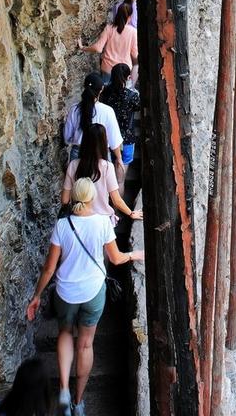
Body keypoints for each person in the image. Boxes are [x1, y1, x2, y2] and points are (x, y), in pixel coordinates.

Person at [26, 178, 144, 416]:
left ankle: (63, 391)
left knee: (65, 333)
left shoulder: (62, 225)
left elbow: (49, 268)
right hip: (92, 291)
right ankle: (78, 402)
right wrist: (135, 254)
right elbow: (117, 258)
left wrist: (37, 295)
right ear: (92, 197)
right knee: (86, 343)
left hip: (65, 292)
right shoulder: (102, 222)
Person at [61, 123, 142, 224]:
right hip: (102, 221)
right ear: (103, 143)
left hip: (78, 220)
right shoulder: (107, 167)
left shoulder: (73, 165)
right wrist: (131, 213)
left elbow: (65, 200)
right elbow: (116, 200)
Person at [63, 73, 123, 167]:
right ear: (102, 89)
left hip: (78, 154)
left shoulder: (74, 109)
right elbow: (114, 141)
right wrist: (119, 159)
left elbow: (67, 137)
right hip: (101, 154)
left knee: (79, 182)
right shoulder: (108, 111)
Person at [77, 2, 138, 84]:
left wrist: (82, 47)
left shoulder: (109, 29)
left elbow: (98, 49)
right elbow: (135, 55)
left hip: (108, 69)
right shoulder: (133, 32)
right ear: (130, 17)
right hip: (124, 71)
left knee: (105, 94)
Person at [100, 64, 141, 166]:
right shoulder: (132, 96)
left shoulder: (104, 93)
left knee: (108, 167)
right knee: (124, 167)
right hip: (126, 136)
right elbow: (138, 107)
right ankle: (121, 182)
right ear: (128, 77)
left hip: (107, 137)